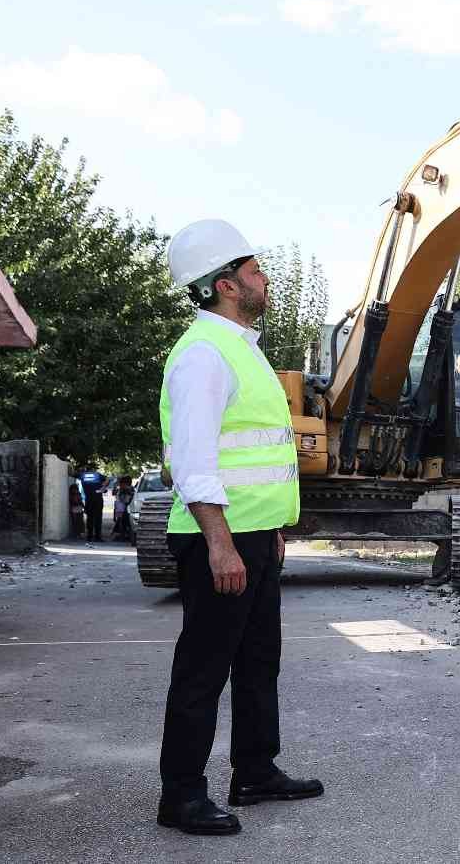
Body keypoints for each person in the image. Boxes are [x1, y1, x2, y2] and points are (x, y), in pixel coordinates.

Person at [155, 219, 321, 837]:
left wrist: (270, 530)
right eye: (254, 271)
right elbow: (194, 462)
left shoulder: (241, 349)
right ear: (226, 285)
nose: (265, 278)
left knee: (258, 662)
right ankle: (181, 795)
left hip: (253, 535)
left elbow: (251, 457)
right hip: (215, 538)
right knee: (203, 669)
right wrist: (222, 545)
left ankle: (254, 770)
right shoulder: (203, 355)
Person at [79, 468, 107, 542]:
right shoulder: (98, 475)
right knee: (98, 518)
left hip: (89, 499)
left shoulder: (83, 475)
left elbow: (72, 473)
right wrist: (103, 488)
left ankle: (89, 536)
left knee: (90, 518)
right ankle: (98, 537)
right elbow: (107, 479)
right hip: (98, 499)